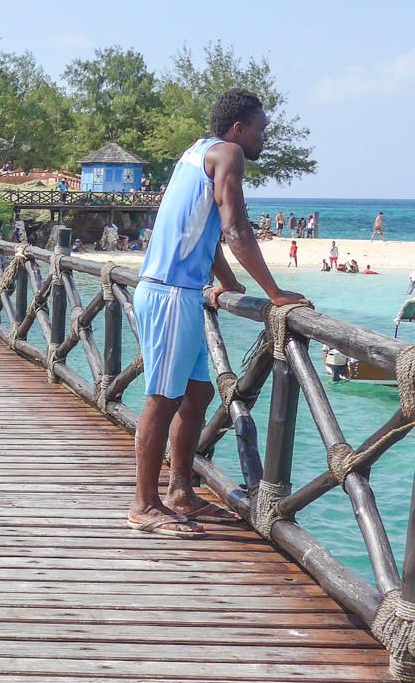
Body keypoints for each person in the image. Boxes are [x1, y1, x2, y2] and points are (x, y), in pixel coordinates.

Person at [130, 89, 305, 538]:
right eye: (261, 130)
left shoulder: (198, 151)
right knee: (163, 400)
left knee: (198, 395)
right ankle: (144, 505)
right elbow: (234, 227)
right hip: (170, 294)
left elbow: (201, 227)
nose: (264, 138)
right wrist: (275, 291)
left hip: (180, 293)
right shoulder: (229, 153)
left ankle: (180, 492)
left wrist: (226, 283)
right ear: (239, 129)